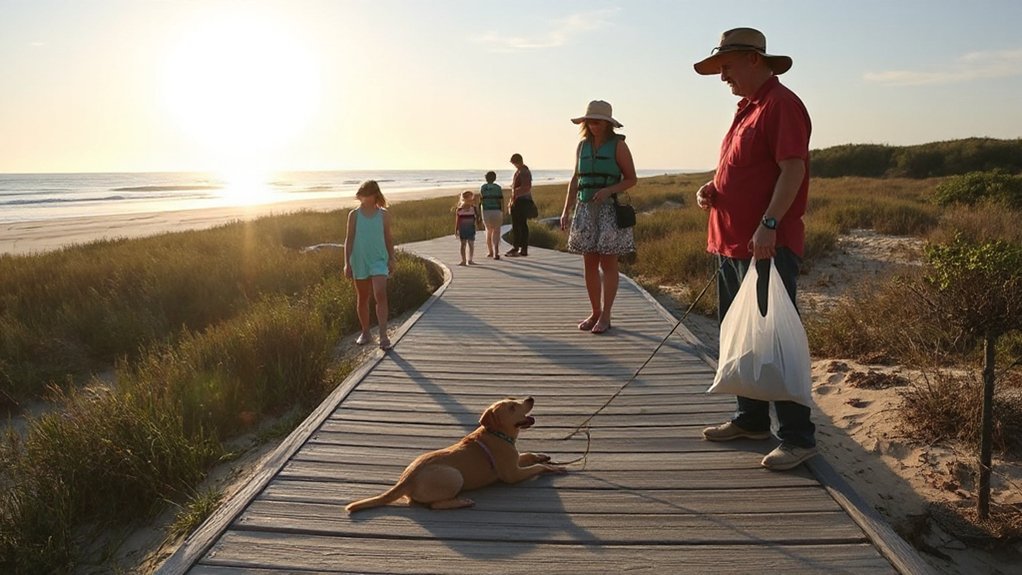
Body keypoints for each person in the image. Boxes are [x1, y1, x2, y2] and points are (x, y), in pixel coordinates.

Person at [692, 28, 816, 470]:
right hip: (730, 243)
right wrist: (714, 188)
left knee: (774, 339)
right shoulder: (746, 109)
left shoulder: (781, 104)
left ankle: (799, 438)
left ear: (752, 60)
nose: (723, 76)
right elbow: (743, 170)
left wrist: (769, 224)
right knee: (741, 335)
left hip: (765, 245)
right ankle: (751, 419)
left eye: (726, 67)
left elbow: (792, 170)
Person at [559, 100, 636, 335]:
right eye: (589, 122)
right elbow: (575, 179)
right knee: (589, 263)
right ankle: (594, 311)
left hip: (609, 210)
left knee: (608, 263)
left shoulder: (618, 146)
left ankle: (606, 314)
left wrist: (608, 191)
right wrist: (566, 209)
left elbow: (631, 179)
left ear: (607, 123)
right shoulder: (582, 146)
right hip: (584, 210)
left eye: (598, 122)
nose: (593, 126)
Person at [344, 180, 396, 350]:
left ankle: (383, 335)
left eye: (366, 194)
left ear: (375, 194)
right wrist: (347, 263)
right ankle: (365, 331)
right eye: (361, 195)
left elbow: (388, 238)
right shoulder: (354, 215)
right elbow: (349, 240)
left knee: (380, 294)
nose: (362, 198)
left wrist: (391, 258)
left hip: (379, 259)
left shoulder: (384, 215)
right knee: (363, 298)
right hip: (359, 260)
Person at [505, 153, 535, 257]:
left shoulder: (524, 172)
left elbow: (526, 187)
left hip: (522, 201)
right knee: (517, 225)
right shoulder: (520, 171)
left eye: (514, 163)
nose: (514, 165)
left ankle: (521, 247)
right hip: (518, 200)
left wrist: (515, 191)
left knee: (521, 225)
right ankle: (518, 247)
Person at [479, 171, 504, 260]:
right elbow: (501, 201)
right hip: (497, 211)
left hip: (486, 211)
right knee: (496, 232)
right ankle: (496, 252)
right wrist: (502, 211)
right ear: (495, 178)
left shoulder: (483, 187)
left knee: (488, 231)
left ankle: (490, 251)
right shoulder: (498, 188)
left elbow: (481, 201)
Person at [454, 190, 480, 266]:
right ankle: (463, 260)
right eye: (469, 199)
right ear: (464, 199)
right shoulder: (459, 209)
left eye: (471, 199)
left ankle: (470, 260)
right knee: (463, 244)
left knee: (471, 244)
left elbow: (477, 218)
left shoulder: (473, 208)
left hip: (471, 228)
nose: (471, 200)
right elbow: (457, 221)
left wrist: (478, 225)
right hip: (463, 229)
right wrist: (456, 230)